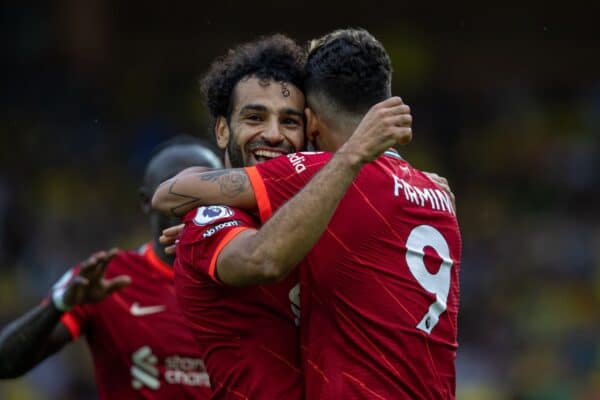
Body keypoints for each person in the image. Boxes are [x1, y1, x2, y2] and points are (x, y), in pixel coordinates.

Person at [154, 28, 460, 399]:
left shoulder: (328, 203)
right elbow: (254, 253)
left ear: (310, 127)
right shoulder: (214, 218)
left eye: (289, 121)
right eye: (254, 118)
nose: (273, 135)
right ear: (222, 129)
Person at [0, 136, 221, 399]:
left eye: (207, 188)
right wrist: (59, 305)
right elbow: (6, 363)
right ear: (146, 201)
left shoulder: (252, 276)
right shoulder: (106, 278)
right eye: (177, 190)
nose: (193, 202)